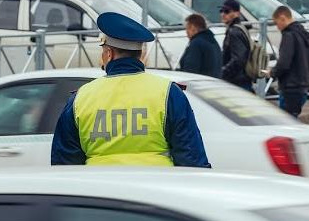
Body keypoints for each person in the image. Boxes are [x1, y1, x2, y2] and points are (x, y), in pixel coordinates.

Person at [51, 12, 211, 168]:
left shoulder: (81, 99)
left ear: (109, 54)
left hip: (99, 191)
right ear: (140, 55)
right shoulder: (169, 93)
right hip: (156, 191)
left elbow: (64, 166)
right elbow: (192, 160)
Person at [269, 5, 309, 118]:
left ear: (283, 18)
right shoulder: (303, 34)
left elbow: (284, 63)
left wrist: (272, 73)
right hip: (302, 85)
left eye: (276, 22)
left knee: (287, 122)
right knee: (293, 119)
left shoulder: (288, 35)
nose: (277, 27)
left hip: (290, 86)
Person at [219, 0, 253, 91]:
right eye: (221, 11)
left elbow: (239, 59)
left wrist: (223, 72)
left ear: (237, 13)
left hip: (238, 82)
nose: (223, 14)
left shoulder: (234, 32)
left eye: (227, 11)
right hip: (241, 81)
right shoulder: (239, 28)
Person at [179, 13, 221, 78]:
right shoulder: (214, 43)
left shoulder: (196, 44)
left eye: (187, 28)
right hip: (214, 83)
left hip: (198, 85)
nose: (186, 32)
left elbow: (190, 70)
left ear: (193, 27)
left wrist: (182, 87)